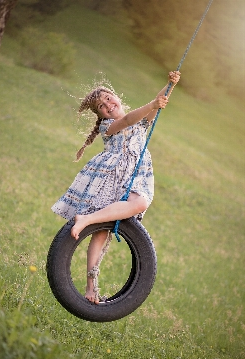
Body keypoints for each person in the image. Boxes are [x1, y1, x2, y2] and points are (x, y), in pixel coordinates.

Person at [52, 70, 181, 303]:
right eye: (101, 106)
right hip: (112, 176)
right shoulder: (108, 126)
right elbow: (128, 120)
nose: (108, 105)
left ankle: (87, 221)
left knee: (137, 204)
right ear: (100, 115)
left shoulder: (141, 119)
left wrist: (169, 85)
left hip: (135, 176)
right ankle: (91, 283)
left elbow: (154, 107)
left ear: (116, 96)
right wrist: (153, 103)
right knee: (101, 233)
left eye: (108, 98)